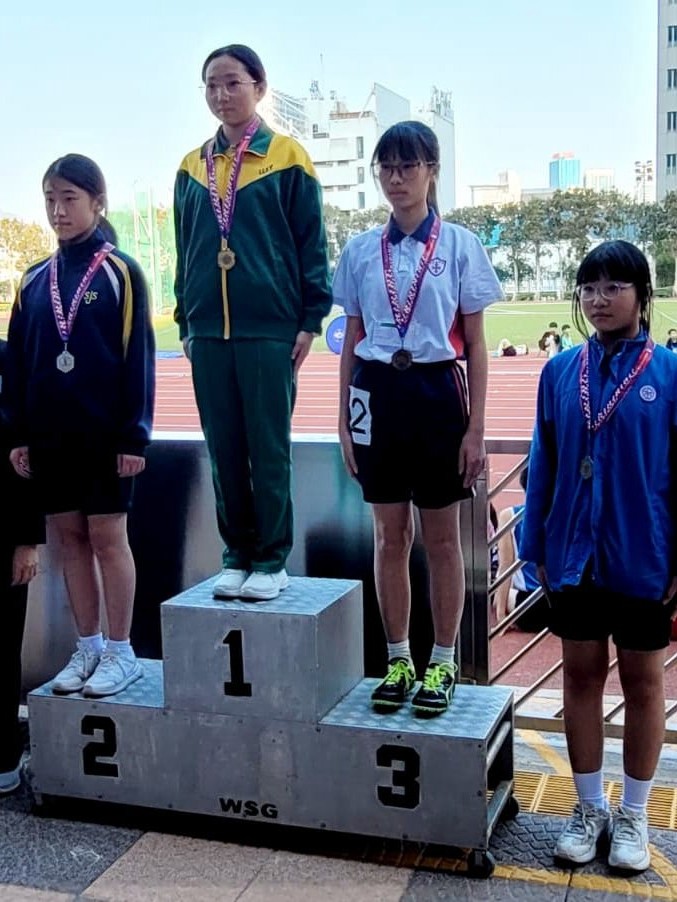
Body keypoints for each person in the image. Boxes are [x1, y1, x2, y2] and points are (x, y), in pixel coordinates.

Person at [334, 121, 502, 717]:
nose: (395, 178)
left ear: (432, 171)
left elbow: (476, 344)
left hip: (437, 392)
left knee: (442, 538)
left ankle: (444, 660)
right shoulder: (359, 250)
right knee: (389, 535)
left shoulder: (460, 245)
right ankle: (399, 657)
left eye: (407, 166)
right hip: (376, 393)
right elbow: (352, 338)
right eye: (385, 167)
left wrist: (476, 427)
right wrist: (344, 418)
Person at [519, 240, 677, 872]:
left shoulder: (668, 374)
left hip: (644, 554)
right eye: (589, 287)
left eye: (614, 287)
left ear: (642, 295)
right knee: (580, 677)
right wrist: (534, 548)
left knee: (643, 683)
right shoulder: (560, 372)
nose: (599, 299)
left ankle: (634, 815)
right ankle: (588, 809)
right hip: (573, 555)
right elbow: (543, 463)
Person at [174, 44, 332, 601]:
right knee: (223, 449)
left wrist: (310, 317)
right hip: (207, 333)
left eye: (233, 82)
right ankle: (235, 555)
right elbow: (185, 249)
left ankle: (270, 559)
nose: (221, 94)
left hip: (270, 328)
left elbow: (311, 243)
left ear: (259, 88)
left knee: (267, 449)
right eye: (212, 84)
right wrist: (186, 319)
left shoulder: (287, 157)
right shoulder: (191, 167)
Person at [5, 154, 155, 698]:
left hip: (104, 436)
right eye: (50, 199)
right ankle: (87, 645)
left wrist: (134, 435)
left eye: (70, 198)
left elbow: (138, 357)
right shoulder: (33, 280)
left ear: (97, 202)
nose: (58, 211)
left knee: (108, 539)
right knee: (70, 541)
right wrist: (19, 433)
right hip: (51, 436)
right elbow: (18, 363)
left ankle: (121, 650)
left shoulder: (120, 272)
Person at [0, 340, 44, 793]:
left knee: (2, 649)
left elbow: (29, 459)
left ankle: (4, 759)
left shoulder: (9, 361)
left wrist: (28, 541)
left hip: (5, 535)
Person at [493, 467, 547, 631]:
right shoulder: (562, 515)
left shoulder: (509, 515)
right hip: (560, 603)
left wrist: (500, 615)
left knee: (493, 589)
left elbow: (505, 567)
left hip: (526, 607)